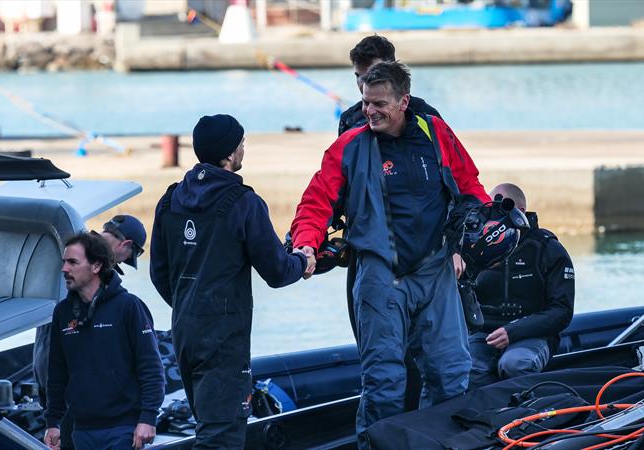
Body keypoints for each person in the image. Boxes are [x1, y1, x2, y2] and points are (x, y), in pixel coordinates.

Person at [291, 61, 490, 448]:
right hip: (381, 273)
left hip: (436, 270)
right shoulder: (349, 145)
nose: (370, 111)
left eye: (379, 103)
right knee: (384, 383)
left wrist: (488, 222)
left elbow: (469, 184)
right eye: (366, 102)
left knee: (452, 374)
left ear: (404, 102)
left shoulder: (435, 132)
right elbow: (317, 201)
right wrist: (306, 244)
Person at [150, 114, 313, 448]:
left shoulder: (169, 200)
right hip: (223, 339)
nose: (243, 149)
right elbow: (277, 272)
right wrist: (302, 261)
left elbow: (158, 272)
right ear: (229, 153)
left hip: (185, 330)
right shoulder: (244, 203)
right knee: (221, 436)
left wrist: (190, 304)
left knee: (208, 426)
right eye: (241, 143)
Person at [338, 34, 444, 413]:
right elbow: (340, 182)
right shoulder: (351, 121)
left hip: (423, 257)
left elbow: (448, 180)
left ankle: (419, 421)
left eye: (371, 77)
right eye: (358, 79)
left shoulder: (428, 119)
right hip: (370, 248)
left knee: (429, 352)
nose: (364, 91)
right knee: (375, 348)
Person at [43, 232, 165, 450]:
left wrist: (148, 418)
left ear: (96, 266)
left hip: (123, 429)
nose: (64, 269)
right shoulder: (62, 312)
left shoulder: (129, 307)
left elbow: (151, 368)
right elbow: (56, 374)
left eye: (72, 262)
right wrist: (53, 423)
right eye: (64, 262)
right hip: (81, 431)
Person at [468, 183, 575, 389]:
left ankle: (525, 414)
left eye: (500, 209)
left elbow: (562, 311)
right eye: (491, 209)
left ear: (520, 211)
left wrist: (514, 330)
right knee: (465, 368)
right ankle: (487, 415)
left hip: (532, 335)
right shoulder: (478, 248)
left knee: (515, 364)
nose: (493, 216)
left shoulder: (548, 249)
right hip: (485, 335)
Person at [338, 34, 441, 136]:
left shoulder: (428, 117)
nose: (364, 83)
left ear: (393, 68)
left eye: (373, 74)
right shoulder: (348, 120)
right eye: (358, 76)